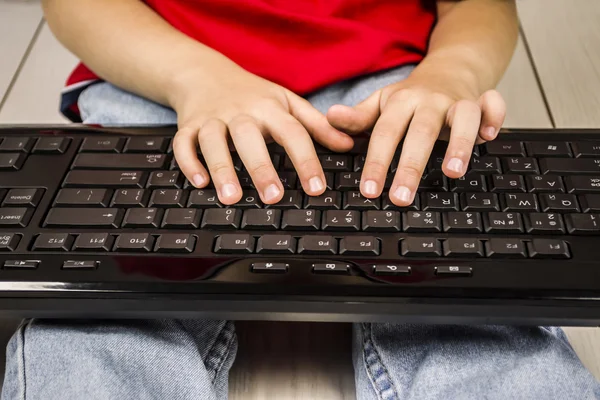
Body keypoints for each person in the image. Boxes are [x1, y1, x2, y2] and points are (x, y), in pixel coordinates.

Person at [3, 0, 598, 399]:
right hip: (164, 71)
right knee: (98, 325)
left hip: (389, 85)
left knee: (481, 323)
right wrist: (194, 77)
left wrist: (454, 72)